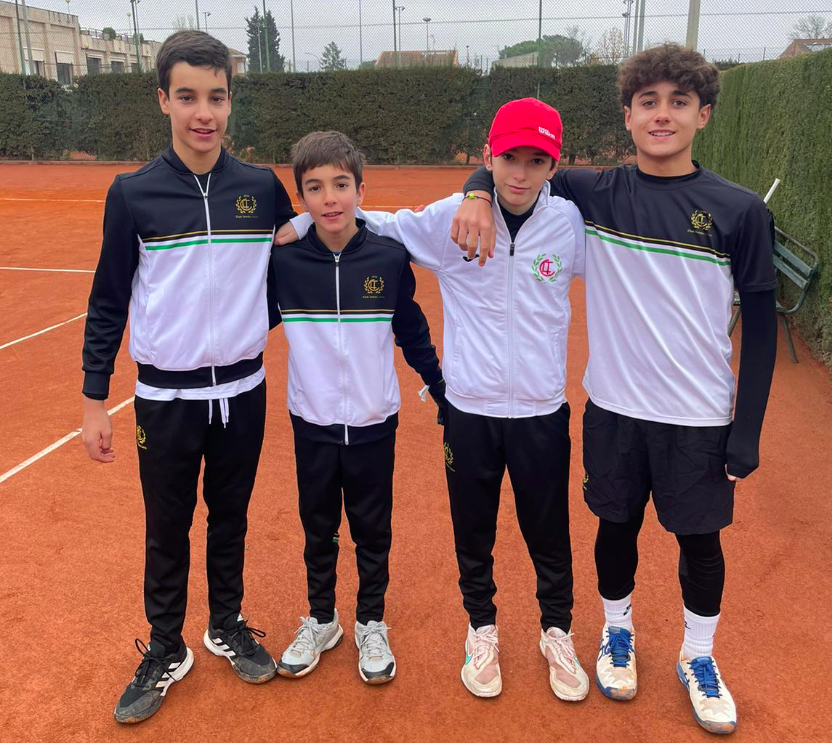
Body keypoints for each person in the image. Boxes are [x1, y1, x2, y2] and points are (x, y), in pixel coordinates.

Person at [454, 44, 777, 734]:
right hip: (614, 409)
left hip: (698, 416)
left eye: (678, 102)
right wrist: (477, 190)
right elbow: (513, 164)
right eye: (647, 102)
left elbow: (760, 324)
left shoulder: (740, 210)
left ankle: (697, 655)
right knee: (615, 529)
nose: (662, 115)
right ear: (627, 115)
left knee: (700, 544)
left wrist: (746, 429)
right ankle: (616, 632)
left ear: (703, 115)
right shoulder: (594, 191)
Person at [276, 100, 590, 701]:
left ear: (554, 165)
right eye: (509, 158)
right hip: (469, 409)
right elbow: (373, 222)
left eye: (537, 161)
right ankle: (481, 631)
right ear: (488, 156)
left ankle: (557, 632)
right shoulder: (451, 220)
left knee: (548, 530)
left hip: (541, 411)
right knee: (472, 533)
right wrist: (298, 222)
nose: (521, 173)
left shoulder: (570, 225)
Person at [80, 30, 295, 723]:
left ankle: (225, 622)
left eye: (217, 97)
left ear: (230, 101)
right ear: (163, 100)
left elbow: (304, 260)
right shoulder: (132, 193)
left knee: (230, 517)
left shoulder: (261, 188)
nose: (204, 113)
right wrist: (93, 399)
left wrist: (253, 319)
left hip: (242, 392)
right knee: (167, 525)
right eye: (188, 97)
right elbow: (108, 299)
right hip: (165, 398)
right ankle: (166, 645)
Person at [272, 131, 445, 685]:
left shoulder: (389, 258)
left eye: (341, 185)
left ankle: (371, 622)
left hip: (373, 421)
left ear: (361, 191)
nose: (329, 199)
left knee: (372, 528)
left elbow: (411, 329)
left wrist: (439, 387)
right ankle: (322, 619)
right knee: (318, 527)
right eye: (315, 188)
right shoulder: (285, 262)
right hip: (312, 421)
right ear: (301, 197)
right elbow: (244, 313)